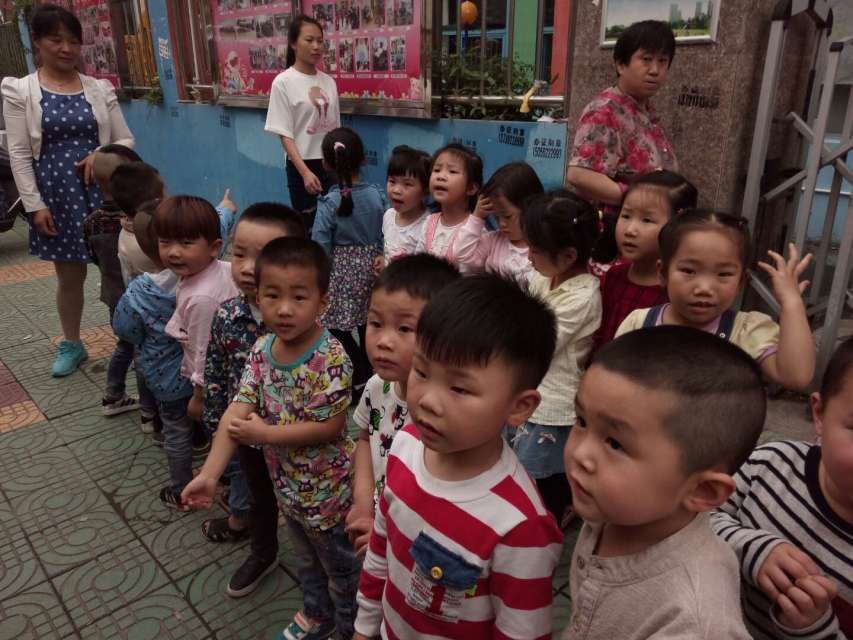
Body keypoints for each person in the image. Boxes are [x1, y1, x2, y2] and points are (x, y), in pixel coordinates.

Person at [353, 274, 564, 640]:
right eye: (421, 371)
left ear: (519, 406)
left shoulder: (520, 526)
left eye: (460, 388)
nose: (428, 401)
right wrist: (364, 626)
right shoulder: (405, 444)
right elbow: (381, 547)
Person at [182, 238, 360, 640]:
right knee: (306, 560)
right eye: (272, 295)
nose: (283, 309)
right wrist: (209, 474)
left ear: (323, 302)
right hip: (289, 493)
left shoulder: (331, 357)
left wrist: (266, 434)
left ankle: (352, 628)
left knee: (342, 571)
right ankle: (317, 614)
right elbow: (237, 410)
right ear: (257, 297)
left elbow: (330, 426)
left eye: (299, 296)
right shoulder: (262, 350)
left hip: (329, 498)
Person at [562, 326, 761, 639]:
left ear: (702, 490)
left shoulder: (693, 622)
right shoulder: (609, 510)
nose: (580, 454)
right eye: (581, 421)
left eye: (615, 443)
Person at [2, 3, 134, 376]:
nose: (66, 48)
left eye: (73, 41)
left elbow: (125, 138)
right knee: (69, 276)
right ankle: (72, 343)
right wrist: (35, 205)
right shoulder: (20, 91)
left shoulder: (99, 89)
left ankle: (133, 339)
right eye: (56, 40)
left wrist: (103, 153)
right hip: (57, 197)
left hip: (105, 196)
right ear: (37, 41)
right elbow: (19, 153)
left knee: (120, 271)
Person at [711, 336, 853, 639]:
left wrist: (816, 629)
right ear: (820, 414)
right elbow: (694, 519)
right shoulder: (770, 464)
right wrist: (751, 549)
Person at [201, 203, 306, 599]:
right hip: (245, 435)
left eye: (263, 257)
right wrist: (217, 426)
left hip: (299, 440)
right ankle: (264, 552)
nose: (246, 267)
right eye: (239, 252)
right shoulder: (226, 316)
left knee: (305, 503)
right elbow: (216, 373)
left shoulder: (308, 324)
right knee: (260, 497)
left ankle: (321, 563)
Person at [616, 210, 816, 391]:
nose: (704, 288)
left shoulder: (746, 332)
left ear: (741, 282)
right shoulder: (639, 324)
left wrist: (792, 304)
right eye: (688, 271)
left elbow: (796, 377)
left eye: (723, 274)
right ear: (662, 273)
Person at [345, 254, 461, 555]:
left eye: (405, 329)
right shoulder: (376, 386)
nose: (383, 341)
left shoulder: (447, 416)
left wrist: (388, 534)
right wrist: (362, 504)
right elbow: (364, 438)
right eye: (375, 323)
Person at [512, 190, 611, 523]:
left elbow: (538, 342)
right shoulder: (544, 277)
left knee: (539, 482)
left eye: (535, 250)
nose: (528, 257)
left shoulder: (583, 296)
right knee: (516, 473)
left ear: (568, 256)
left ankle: (546, 529)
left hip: (551, 406)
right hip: (527, 390)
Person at [156, 196, 239, 509]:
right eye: (165, 242)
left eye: (186, 243)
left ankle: (234, 492)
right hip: (232, 376)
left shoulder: (202, 297)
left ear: (214, 247)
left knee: (224, 437)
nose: (174, 252)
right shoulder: (216, 270)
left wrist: (199, 397)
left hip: (216, 387)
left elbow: (204, 352)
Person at [112, 202, 192, 487]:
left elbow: (124, 329)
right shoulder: (201, 276)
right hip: (202, 375)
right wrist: (226, 208)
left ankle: (181, 488)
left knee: (175, 430)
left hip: (166, 379)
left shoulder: (139, 291)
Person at [566, 20, 678, 210]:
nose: (655, 70)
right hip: (618, 223)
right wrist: (638, 199)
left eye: (662, 61)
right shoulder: (605, 111)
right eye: (646, 59)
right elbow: (579, 175)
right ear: (620, 65)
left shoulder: (644, 109)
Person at [311, 127, 386, 397]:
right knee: (367, 324)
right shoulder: (378, 195)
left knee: (333, 325)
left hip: (339, 275)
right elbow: (385, 230)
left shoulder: (329, 202)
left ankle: (359, 371)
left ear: (326, 163)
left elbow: (320, 245)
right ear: (364, 159)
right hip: (371, 271)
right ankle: (372, 372)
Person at [81, 144, 152, 418]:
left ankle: (113, 395)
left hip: (114, 297)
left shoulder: (91, 221)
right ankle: (149, 413)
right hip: (141, 299)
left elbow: (93, 256)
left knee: (125, 344)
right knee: (143, 352)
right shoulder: (140, 222)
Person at [593, 170, 697, 351]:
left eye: (647, 220)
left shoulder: (675, 291)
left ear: (677, 227)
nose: (630, 230)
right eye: (626, 216)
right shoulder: (614, 276)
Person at [265, 15, 340, 226]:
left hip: (331, 163)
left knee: (336, 224)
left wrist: (340, 165)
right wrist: (305, 173)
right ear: (293, 43)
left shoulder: (329, 82)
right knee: (309, 226)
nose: (316, 46)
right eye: (309, 40)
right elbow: (285, 134)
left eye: (320, 41)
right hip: (302, 164)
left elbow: (336, 128)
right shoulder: (283, 82)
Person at [454, 161, 544, 287]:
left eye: (507, 216)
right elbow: (462, 255)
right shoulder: (493, 241)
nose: (501, 223)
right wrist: (477, 217)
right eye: (496, 217)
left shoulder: (544, 247)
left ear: (530, 208)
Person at [414, 143, 482, 270]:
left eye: (452, 171)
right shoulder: (429, 222)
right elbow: (418, 264)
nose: (440, 176)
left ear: (471, 188)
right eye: (437, 170)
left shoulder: (477, 231)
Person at [381, 145, 431, 264]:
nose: (396, 190)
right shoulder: (388, 215)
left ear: (425, 191)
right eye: (392, 181)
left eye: (407, 184)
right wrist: (383, 260)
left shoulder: (428, 226)